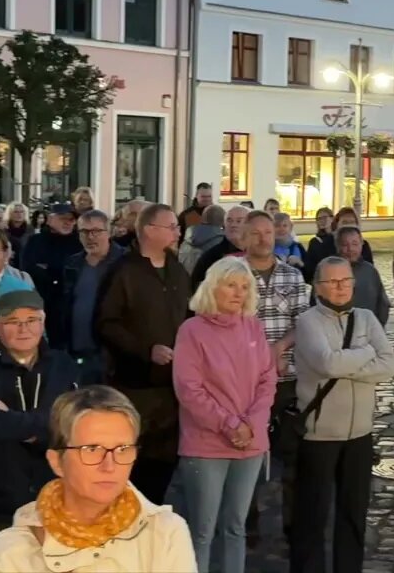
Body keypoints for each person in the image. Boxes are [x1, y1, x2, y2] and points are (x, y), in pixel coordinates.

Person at [0, 386, 198, 573]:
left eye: (122, 449)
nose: (109, 465)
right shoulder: (11, 554)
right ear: (56, 461)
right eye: (91, 449)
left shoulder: (165, 534)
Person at [0, 289, 79, 571]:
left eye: (31, 320)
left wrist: (16, 421)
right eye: (13, 321)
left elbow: (67, 426)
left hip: (53, 498)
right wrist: (42, 424)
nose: (24, 328)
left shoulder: (63, 366)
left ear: (43, 322)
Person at [291, 256, 394, 573]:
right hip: (319, 434)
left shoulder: (366, 317)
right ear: (318, 286)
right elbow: (327, 364)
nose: (340, 288)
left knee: (354, 514)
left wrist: (348, 361)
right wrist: (366, 355)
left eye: (346, 280)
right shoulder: (308, 321)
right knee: (313, 515)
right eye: (332, 282)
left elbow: (389, 365)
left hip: (360, 434)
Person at [173, 256, 277, 572]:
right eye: (231, 285)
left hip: (250, 443)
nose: (238, 293)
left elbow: (267, 379)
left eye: (245, 287)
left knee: (236, 527)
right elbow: (190, 389)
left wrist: (251, 424)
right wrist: (230, 423)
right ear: (213, 287)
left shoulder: (253, 327)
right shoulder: (192, 330)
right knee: (202, 531)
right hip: (206, 445)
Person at [96, 203, 191, 504]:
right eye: (172, 226)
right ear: (150, 230)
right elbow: (105, 324)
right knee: (131, 465)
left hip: (172, 390)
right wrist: (145, 350)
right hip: (134, 388)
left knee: (163, 468)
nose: (179, 232)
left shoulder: (177, 269)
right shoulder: (123, 272)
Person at [241, 210, 311, 542]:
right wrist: (259, 358)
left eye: (268, 232)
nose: (263, 238)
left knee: (293, 453)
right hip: (244, 382)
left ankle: (294, 523)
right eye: (255, 233)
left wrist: (280, 348)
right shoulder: (231, 277)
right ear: (244, 237)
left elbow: (303, 321)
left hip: (288, 378)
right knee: (247, 450)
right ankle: (246, 519)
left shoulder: (292, 278)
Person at [59, 209, 126, 384]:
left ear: (109, 232)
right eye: (84, 232)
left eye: (96, 231)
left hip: (112, 354)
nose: (90, 237)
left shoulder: (126, 263)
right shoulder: (72, 264)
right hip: (75, 351)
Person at [22, 202, 84, 331]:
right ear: (50, 219)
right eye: (63, 219)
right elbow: (29, 270)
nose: (68, 223)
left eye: (71, 219)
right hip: (43, 305)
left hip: (74, 308)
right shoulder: (35, 242)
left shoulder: (80, 243)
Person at [335, 225, 389, 326]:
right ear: (338, 246)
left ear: (361, 244)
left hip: (367, 331)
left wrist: (377, 328)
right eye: (345, 245)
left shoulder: (370, 271)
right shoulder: (328, 271)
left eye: (354, 244)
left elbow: (382, 304)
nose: (350, 249)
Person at [190, 204, 249, 289]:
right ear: (224, 225)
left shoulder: (257, 254)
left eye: (239, 221)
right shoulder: (211, 257)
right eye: (229, 220)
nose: (233, 225)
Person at [178, 203, 226, 274]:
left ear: (202, 218)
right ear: (223, 221)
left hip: (184, 283)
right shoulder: (222, 243)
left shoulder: (185, 241)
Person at [302, 206, 336, 282]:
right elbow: (309, 267)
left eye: (324, 217)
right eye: (319, 219)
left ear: (332, 218)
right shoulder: (314, 242)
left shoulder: (338, 239)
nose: (322, 221)